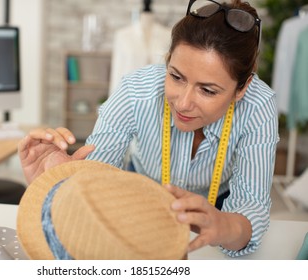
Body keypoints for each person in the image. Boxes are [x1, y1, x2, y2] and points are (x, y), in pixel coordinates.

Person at [18, 0, 279, 258]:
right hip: (140, 194)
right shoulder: (135, 90)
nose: (184, 103)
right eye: (176, 76)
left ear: (242, 89)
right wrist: (57, 184)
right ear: (167, 60)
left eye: (208, 90)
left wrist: (224, 226)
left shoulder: (259, 106)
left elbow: (250, 208)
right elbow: (94, 176)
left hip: (218, 204)